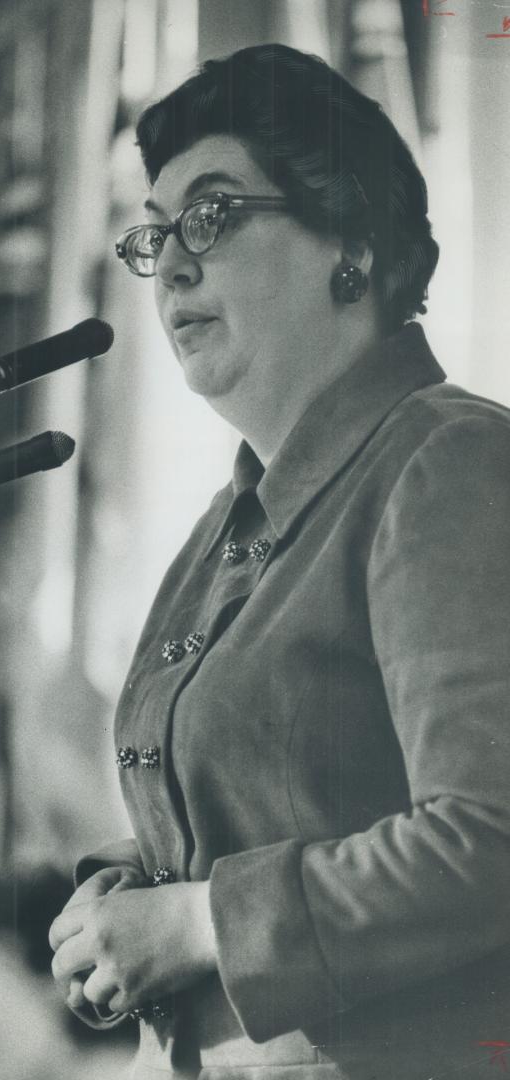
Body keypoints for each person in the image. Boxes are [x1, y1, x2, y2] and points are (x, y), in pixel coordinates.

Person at [49, 43, 510, 1080]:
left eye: (210, 215)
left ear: (349, 237)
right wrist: (119, 906)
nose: (169, 264)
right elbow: (293, 803)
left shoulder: (446, 461)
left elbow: (493, 838)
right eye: (154, 231)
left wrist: (200, 924)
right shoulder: (232, 521)